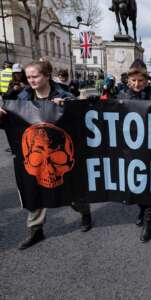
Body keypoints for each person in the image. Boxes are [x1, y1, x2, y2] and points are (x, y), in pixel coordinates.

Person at [0, 61, 92, 250]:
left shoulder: (64, 94)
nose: (31, 80)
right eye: (29, 77)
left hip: (59, 154)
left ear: (47, 75)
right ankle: (36, 230)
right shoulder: (22, 97)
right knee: (34, 190)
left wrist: (66, 106)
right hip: (36, 154)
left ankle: (85, 213)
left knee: (71, 191)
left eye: (35, 76)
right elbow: (11, 125)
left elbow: (81, 117)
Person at [117, 60, 151, 242]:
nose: (137, 84)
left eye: (140, 81)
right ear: (129, 80)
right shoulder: (122, 95)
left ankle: (148, 223)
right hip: (132, 149)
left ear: (146, 80)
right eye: (133, 81)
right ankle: (142, 210)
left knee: (150, 185)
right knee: (137, 182)